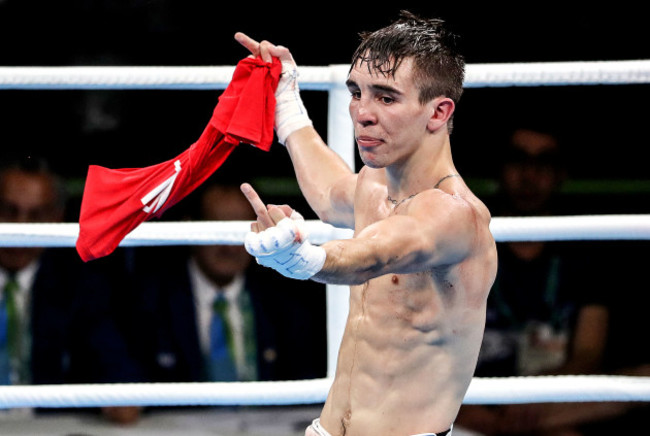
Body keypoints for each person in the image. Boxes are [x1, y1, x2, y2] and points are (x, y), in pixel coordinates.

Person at [235, 11, 498, 436]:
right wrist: (286, 103)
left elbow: (371, 255)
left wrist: (299, 257)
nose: (362, 113)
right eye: (357, 92)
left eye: (386, 97)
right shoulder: (374, 184)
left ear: (438, 112)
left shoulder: (454, 215)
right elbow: (329, 191)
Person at [453, 126, 610, 435]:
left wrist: (532, 400)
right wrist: (478, 412)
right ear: (500, 168)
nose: (530, 174)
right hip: (469, 407)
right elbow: (431, 352)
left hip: (552, 404)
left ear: (561, 173)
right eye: (518, 160)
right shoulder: (463, 242)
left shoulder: (585, 248)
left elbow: (589, 355)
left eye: (545, 162)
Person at [128, 173, 326, 384]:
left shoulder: (286, 300)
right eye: (218, 228)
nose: (230, 247)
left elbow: (305, 381)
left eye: (241, 231)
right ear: (189, 226)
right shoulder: (147, 300)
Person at [0, 157, 142, 424]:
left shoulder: (79, 282)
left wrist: (121, 390)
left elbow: (112, 357)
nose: (21, 226)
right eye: (9, 211)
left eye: (36, 215)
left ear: (57, 217)